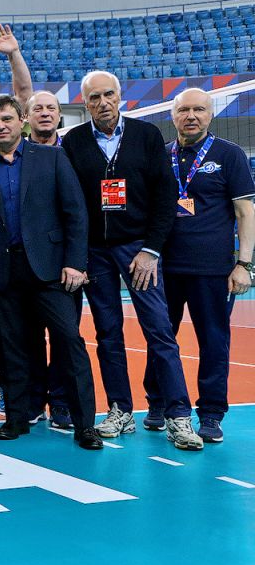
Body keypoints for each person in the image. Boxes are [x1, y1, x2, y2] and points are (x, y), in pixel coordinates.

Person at [62, 70, 202, 450]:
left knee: (159, 331)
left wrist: (150, 250)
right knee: (107, 333)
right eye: (94, 97)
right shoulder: (73, 141)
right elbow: (71, 204)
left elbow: (165, 197)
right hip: (96, 253)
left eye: (108, 94)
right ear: (85, 103)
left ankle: (178, 415)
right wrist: (79, 255)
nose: (103, 103)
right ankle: (120, 410)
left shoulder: (146, 135)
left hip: (138, 249)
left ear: (120, 96)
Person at [0, 96, 102, 450]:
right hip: (3, 274)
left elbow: (75, 213)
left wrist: (76, 262)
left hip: (51, 270)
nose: (1, 126)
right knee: (14, 348)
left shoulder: (52, 157)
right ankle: (17, 418)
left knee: (69, 341)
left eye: (6, 119)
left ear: (21, 120)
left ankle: (85, 424)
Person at [157, 87, 255, 443]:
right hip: (164, 269)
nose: (191, 116)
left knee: (214, 343)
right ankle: (158, 404)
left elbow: (245, 212)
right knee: (160, 340)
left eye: (199, 109)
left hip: (213, 270)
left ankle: (211, 414)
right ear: (173, 115)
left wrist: (244, 264)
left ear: (210, 114)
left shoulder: (229, 154)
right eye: (184, 110)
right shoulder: (161, 155)